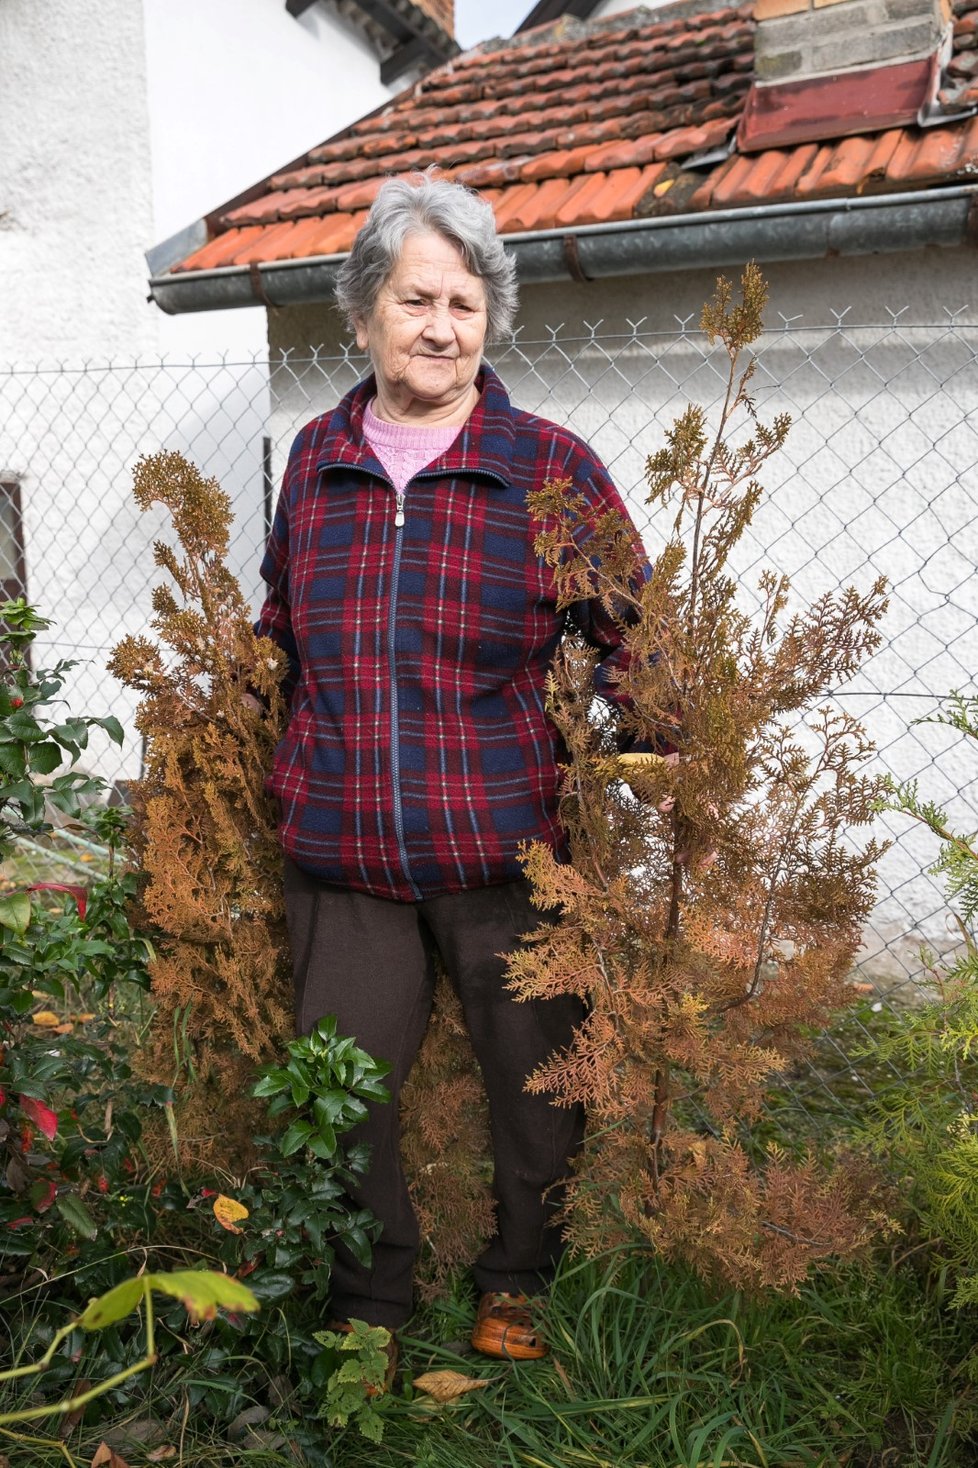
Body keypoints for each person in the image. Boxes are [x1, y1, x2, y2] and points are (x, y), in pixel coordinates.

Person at [254, 173, 648, 1372]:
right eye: (416, 298)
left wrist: (650, 737)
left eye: (466, 303)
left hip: (504, 846)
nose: (441, 327)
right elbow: (283, 618)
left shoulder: (546, 465)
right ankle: (369, 1301)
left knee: (537, 1085)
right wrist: (274, 752)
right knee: (345, 1093)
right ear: (364, 308)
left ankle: (516, 1280)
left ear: (492, 318)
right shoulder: (316, 460)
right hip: (344, 849)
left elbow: (633, 625)